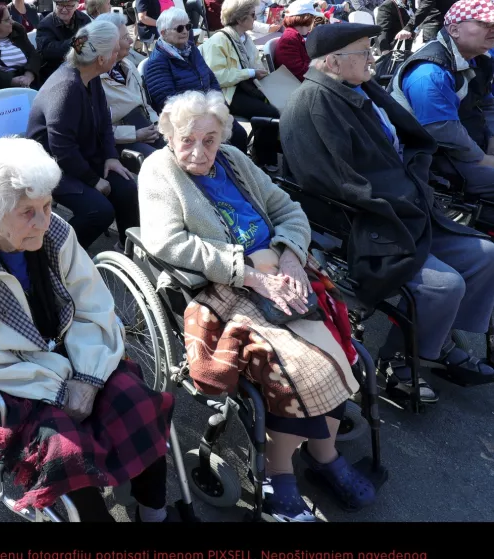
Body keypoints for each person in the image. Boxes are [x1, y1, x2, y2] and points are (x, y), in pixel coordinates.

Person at [139, 88, 378, 522]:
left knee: (343, 350)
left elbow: (287, 207)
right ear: (169, 137)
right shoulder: (159, 171)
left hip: (280, 271)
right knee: (302, 369)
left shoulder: (233, 159)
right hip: (223, 286)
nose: (200, 150)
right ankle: (277, 475)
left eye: (209, 139)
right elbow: (166, 241)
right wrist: (247, 273)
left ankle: (324, 457)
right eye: (187, 139)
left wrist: (289, 251)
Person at [0, 136, 176, 523]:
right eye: (28, 212)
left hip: (74, 351)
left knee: (139, 405)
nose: (43, 221)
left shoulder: (56, 232)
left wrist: (88, 377)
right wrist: (61, 387)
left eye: (47, 205)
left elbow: (93, 306)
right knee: (67, 455)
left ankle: (154, 512)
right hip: (16, 375)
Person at [281, 22, 494, 401]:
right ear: (332, 61)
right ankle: (398, 361)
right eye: (364, 51)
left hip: (407, 203)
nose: (373, 56)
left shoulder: (360, 85)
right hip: (371, 221)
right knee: (446, 285)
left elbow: (413, 139)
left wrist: (416, 183)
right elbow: (337, 186)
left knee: (486, 256)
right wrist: (403, 201)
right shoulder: (312, 106)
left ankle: (436, 340)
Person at [27, 18, 138, 250]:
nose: (121, 52)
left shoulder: (91, 76)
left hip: (82, 156)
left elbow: (105, 122)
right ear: (101, 59)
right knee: (99, 211)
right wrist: (93, 180)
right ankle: (55, 254)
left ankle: (128, 249)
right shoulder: (66, 88)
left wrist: (111, 156)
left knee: (127, 187)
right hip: (51, 168)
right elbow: (62, 150)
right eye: (116, 49)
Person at [388, 0, 494, 202]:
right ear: (454, 29)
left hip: (469, 144)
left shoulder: (479, 58)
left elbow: (487, 104)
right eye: (484, 24)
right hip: (434, 159)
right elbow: (443, 132)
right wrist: (483, 158)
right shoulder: (430, 72)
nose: (492, 31)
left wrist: (492, 138)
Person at [141, 8, 249, 152]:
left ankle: (240, 171)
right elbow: (167, 101)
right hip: (187, 119)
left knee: (240, 134)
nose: (185, 31)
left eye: (188, 26)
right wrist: (203, 115)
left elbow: (211, 79)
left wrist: (218, 105)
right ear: (163, 33)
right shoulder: (158, 62)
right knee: (225, 146)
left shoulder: (191, 49)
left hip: (209, 109)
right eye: (179, 28)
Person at [199, 0, 280, 167]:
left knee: (281, 105)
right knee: (270, 113)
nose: (255, 17)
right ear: (240, 19)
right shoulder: (219, 40)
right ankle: (263, 162)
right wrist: (251, 73)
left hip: (245, 87)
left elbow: (255, 65)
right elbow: (218, 77)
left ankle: (265, 156)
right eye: (252, 15)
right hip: (227, 93)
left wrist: (262, 74)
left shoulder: (245, 39)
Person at [94, 12, 164, 158]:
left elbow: (145, 105)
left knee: (178, 150)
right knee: (162, 162)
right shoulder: (93, 78)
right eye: (125, 38)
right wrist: (134, 135)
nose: (131, 41)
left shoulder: (128, 65)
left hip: (145, 128)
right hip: (119, 142)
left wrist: (157, 124)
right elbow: (95, 129)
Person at [35, 0, 91, 82]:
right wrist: (76, 42)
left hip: (81, 67)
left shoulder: (83, 19)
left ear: (76, 5)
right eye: (60, 5)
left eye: (69, 5)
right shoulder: (45, 24)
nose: (64, 10)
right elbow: (47, 51)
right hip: (54, 73)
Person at [274, 0, 321, 82]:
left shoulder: (302, 35)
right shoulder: (289, 39)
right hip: (301, 85)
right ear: (307, 18)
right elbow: (299, 72)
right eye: (313, 17)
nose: (314, 20)